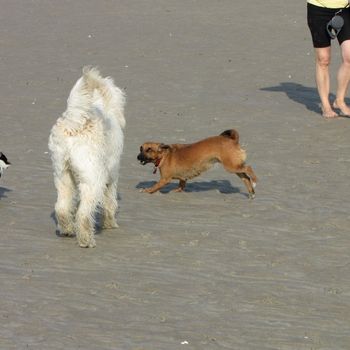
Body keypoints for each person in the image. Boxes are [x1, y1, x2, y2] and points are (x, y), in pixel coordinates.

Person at [307, 0, 350, 118]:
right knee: (323, 59)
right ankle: (326, 106)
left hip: (345, 8)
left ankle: (339, 101)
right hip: (318, 9)